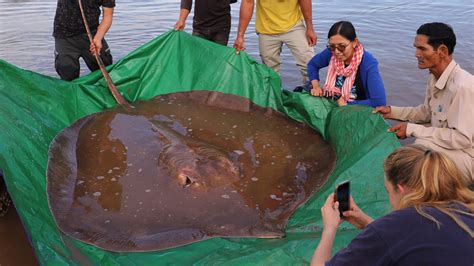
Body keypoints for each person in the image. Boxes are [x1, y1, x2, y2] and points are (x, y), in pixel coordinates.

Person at [311, 145, 474, 266]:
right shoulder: (465, 208)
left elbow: (404, 232)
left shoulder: (394, 227)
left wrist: (330, 228)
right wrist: (368, 222)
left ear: (401, 190)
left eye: (388, 191)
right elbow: (419, 238)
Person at [373, 22, 474, 185]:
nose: (416, 54)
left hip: (467, 156)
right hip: (449, 149)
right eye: (416, 48)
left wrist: (412, 129)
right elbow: (427, 112)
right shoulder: (434, 77)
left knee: (421, 150)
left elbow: (462, 139)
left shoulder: (462, 87)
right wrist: (392, 112)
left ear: (442, 51)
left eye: (422, 49)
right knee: (414, 152)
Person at [233, 0, 317, 84]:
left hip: (294, 25)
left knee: (308, 62)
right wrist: (240, 36)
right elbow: (248, 2)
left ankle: (313, 88)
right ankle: (274, 93)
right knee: (270, 71)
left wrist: (310, 28)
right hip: (266, 29)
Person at [306, 21, 387, 107]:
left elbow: (379, 102)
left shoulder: (368, 63)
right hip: (335, 100)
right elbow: (313, 65)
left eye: (342, 46)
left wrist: (346, 104)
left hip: (356, 107)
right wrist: (315, 86)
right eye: (332, 46)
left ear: (354, 42)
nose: (337, 52)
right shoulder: (330, 53)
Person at [53, 0, 115, 81]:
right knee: (67, 76)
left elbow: (107, 16)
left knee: (106, 71)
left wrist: (98, 38)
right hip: (64, 36)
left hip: (92, 36)